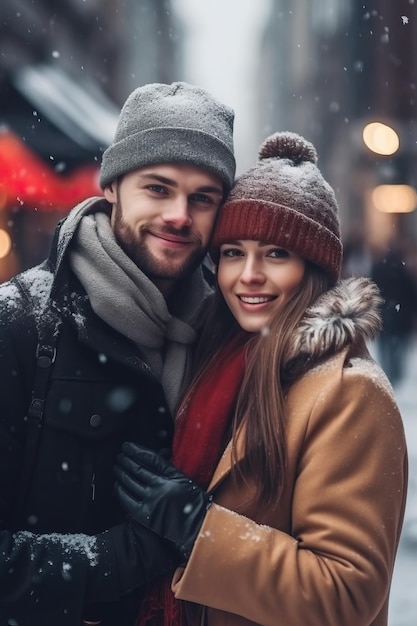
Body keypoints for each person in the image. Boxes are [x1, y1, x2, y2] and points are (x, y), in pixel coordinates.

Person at [115, 132, 408, 626]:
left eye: (275, 254)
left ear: (312, 269)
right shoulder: (215, 363)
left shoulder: (351, 393)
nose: (248, 275)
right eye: (233, 252)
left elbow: (346, 593)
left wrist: (197, 528)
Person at [0, 81, 235, 626]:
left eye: (202, 197)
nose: (180, 214)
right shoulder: (19, 327)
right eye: (158, 188)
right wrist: (121, 557)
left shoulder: (227, 340)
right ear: (111, 187)